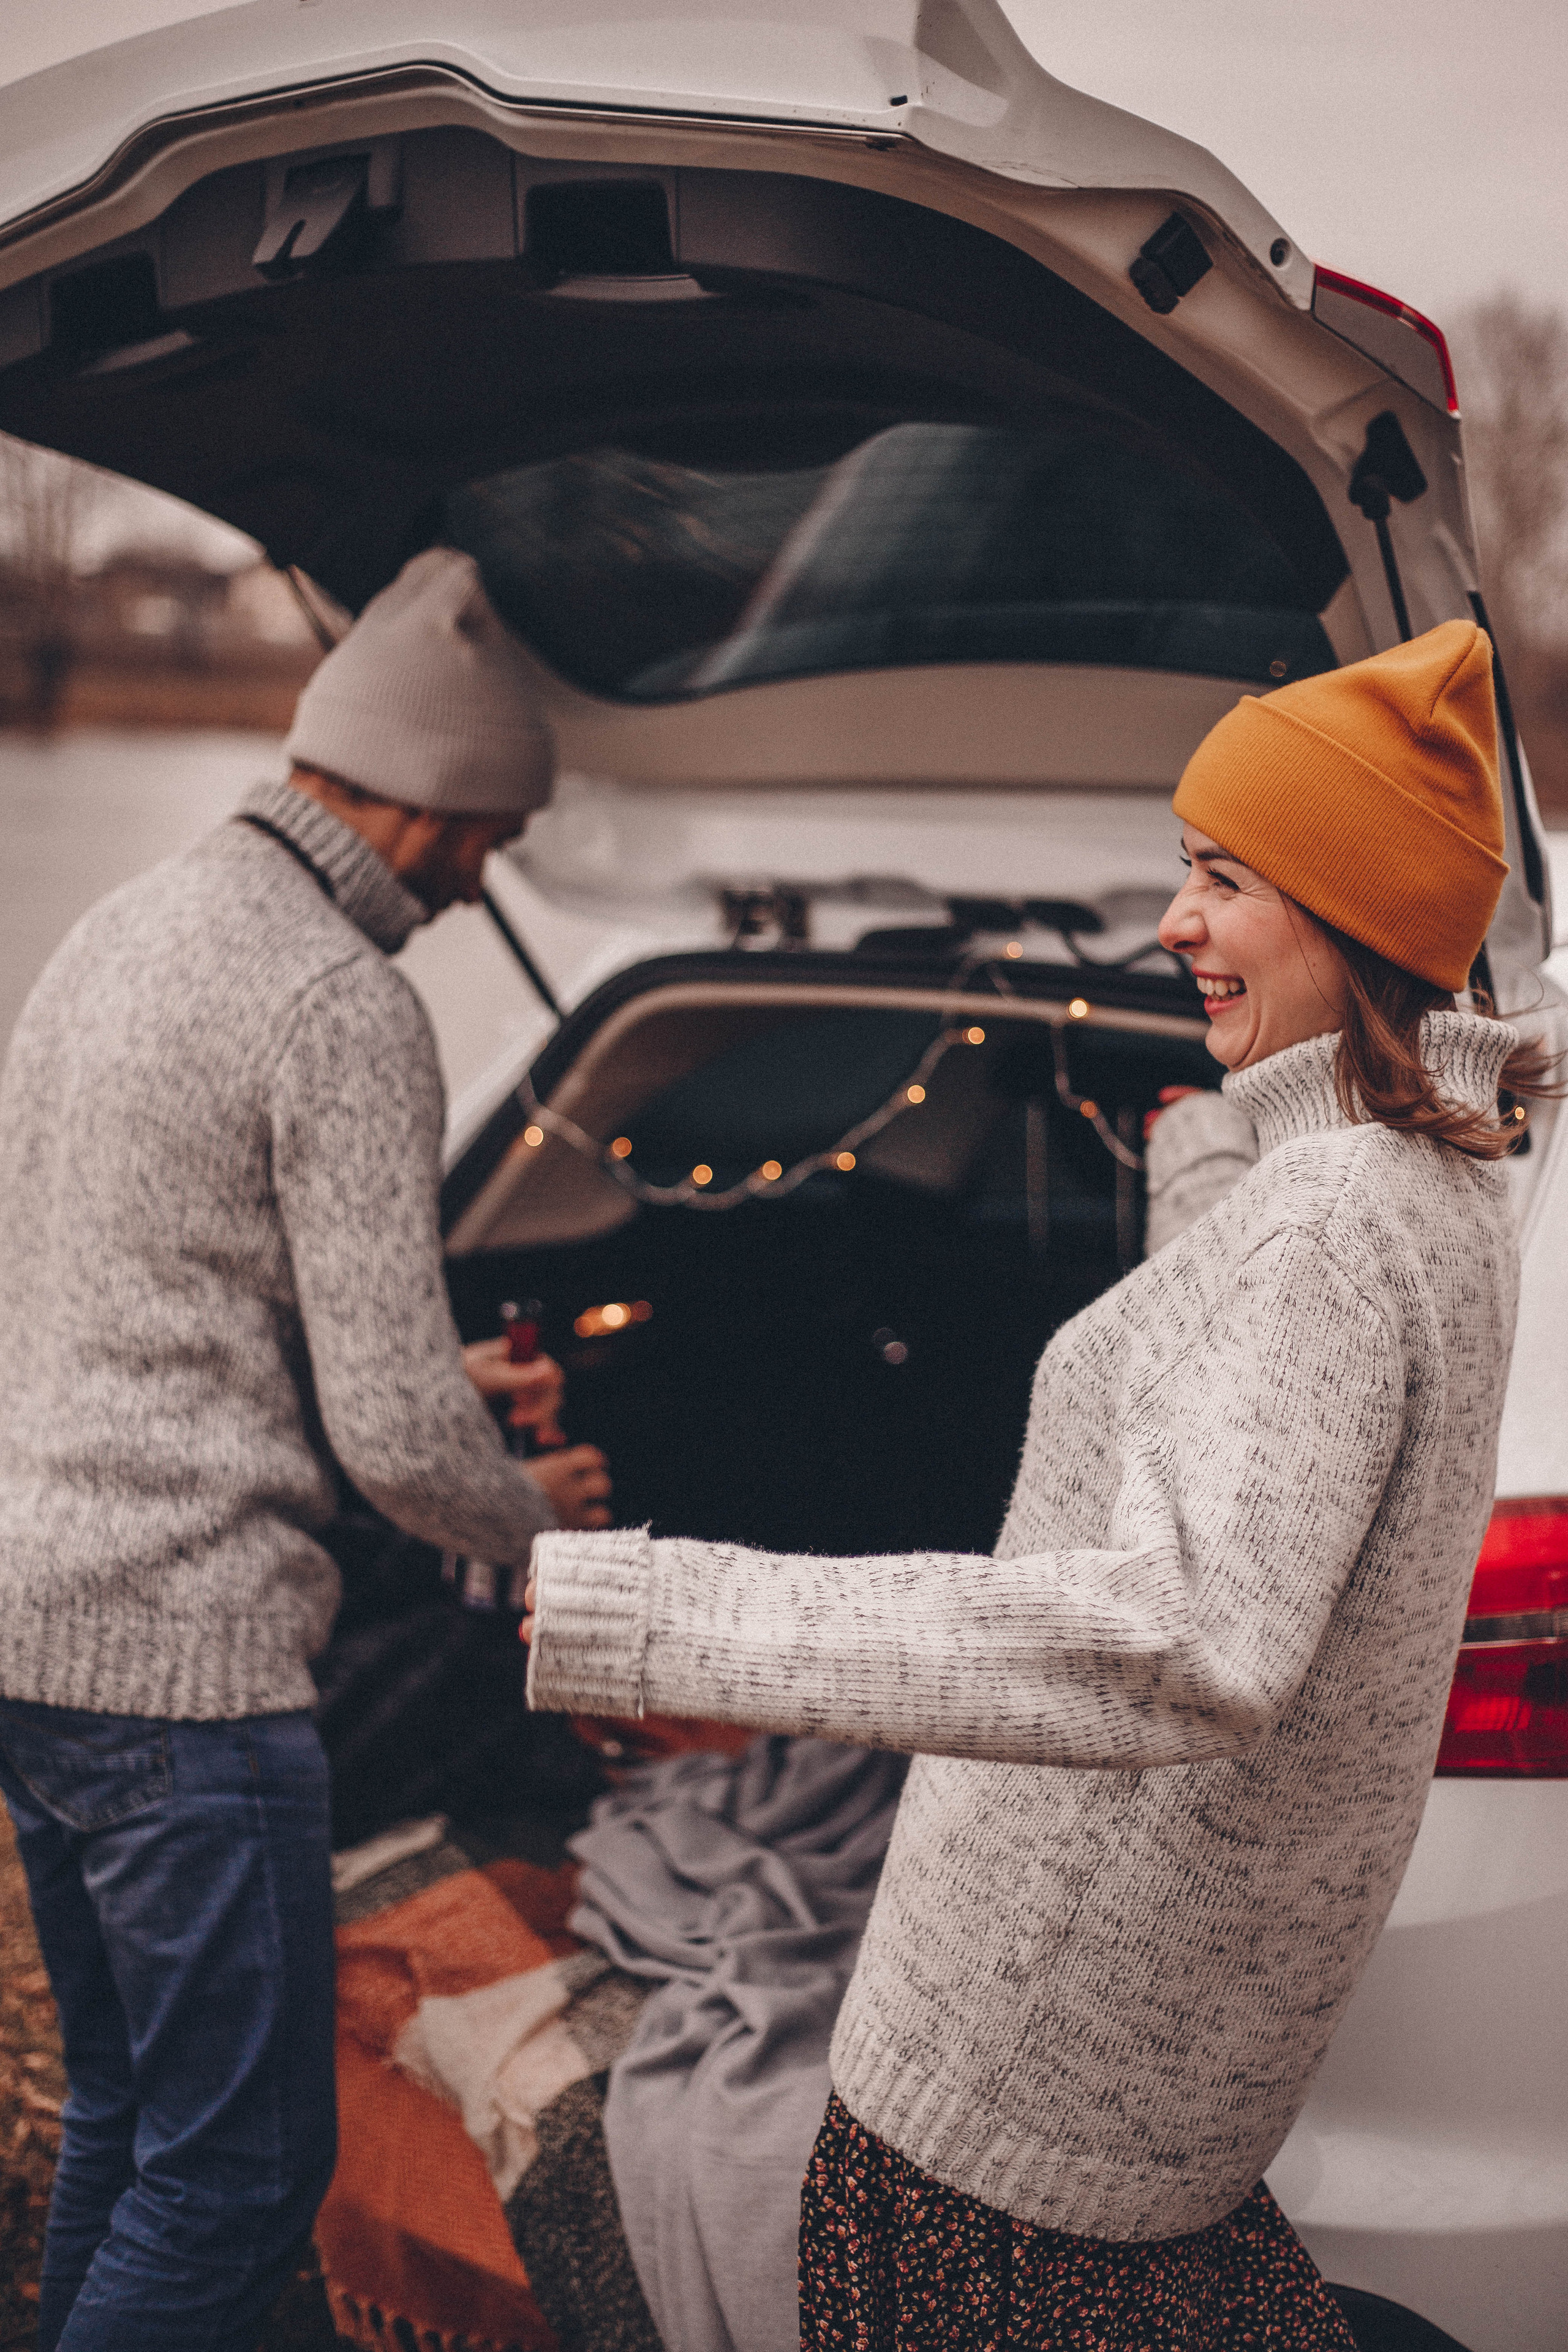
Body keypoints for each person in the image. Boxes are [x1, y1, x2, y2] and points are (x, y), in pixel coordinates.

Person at [524, 620, 1548, 2348]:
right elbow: (1260, 1382)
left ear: (1346, 906)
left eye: (1222, 877)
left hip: (1018, 2107)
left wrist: (670, 1615)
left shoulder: (1333, 1228)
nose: (1172, 923)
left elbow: (1185, 1634)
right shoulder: (1431, 1184)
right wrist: (1210, 1149)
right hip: (1138, 2078)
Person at [0, 548, 609, 2352]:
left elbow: (122, 1293)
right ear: (430, 800)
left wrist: (420, 1389)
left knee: (132, 2120)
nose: (479, 877)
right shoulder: (342, 1004)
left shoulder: (122, 925)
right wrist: (543, 1538)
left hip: (32, 1628)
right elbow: (403, 1444)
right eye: (492, 835)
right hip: (184, 1675)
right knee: (242, 2175)